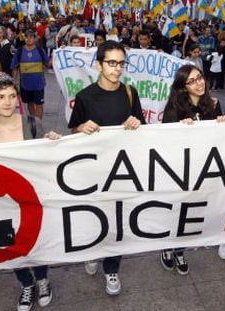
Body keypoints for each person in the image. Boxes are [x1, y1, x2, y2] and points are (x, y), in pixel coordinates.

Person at [0, 71, 61, 311]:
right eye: (0, 97)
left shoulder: (32, 123)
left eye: (12, 95)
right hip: (1, 204)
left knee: (37, 241)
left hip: (31, 197)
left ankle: (42, 279)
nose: (8, 102)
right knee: (9, 245)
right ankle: (26, 283)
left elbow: (45, 161)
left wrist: (53, 142)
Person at [68, 40, 145, 296]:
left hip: (122, 172)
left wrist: (136, 124)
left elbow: (143, 130)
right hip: (93, 174)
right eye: (112, 63)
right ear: (99, 65)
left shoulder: (130, 93)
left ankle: (112, 267)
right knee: (94, 220)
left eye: (121, 63)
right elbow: (73, 131)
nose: (117, 69)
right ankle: (92, 252)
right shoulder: (84, 97)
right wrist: (80, 128)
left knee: (118, 224)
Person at [161, 64, 225, 274]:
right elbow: (164, 143)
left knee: (192, 214)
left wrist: (224, 124)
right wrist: (180, 130)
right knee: (176, 213)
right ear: (183, 87)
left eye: (200, 78)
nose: (199, 83)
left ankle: (179, 251)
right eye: (192, 81)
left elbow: (220, 139)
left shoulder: (214, 105)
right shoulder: (174, 109)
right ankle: (167, 246)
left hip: (204, 171)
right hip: (180, 172)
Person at [11, 29, 49, 119]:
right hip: (25, 85)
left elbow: (48, 63)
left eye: (31, 37)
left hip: (39, 84)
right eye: (27, 37)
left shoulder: (40, 50)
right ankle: (33, 121)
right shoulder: (19, 52)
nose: (29, 39)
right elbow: (15, 68)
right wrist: (13, 82)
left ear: (35, 38)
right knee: (29, 103)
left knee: (39, 104)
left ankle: (38, 123)